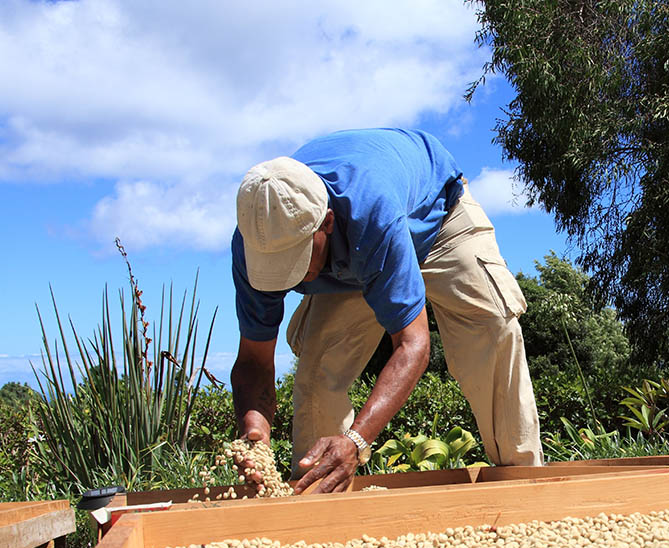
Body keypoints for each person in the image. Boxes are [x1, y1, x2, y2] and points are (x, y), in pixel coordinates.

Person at [230, 128, 542, 494]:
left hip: (437, 220)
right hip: (352, 256)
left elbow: (412, 345)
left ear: (326, 224)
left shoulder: (371, 214)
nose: (289, 276)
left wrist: (356, 441)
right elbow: (254, 360)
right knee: (318, 374)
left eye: (296, 259)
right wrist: (254, 429)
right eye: (277, 265)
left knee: (491, 333)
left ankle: (525, 483)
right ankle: (318, 501)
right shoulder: (255, 242)